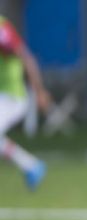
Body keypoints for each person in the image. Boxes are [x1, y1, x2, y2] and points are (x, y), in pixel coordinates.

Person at [0, 14, 49, 190]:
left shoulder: (2, 29)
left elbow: (26, 57)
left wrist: (39, 91)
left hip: (11, 96)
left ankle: (31, 165)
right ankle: (31, 166)